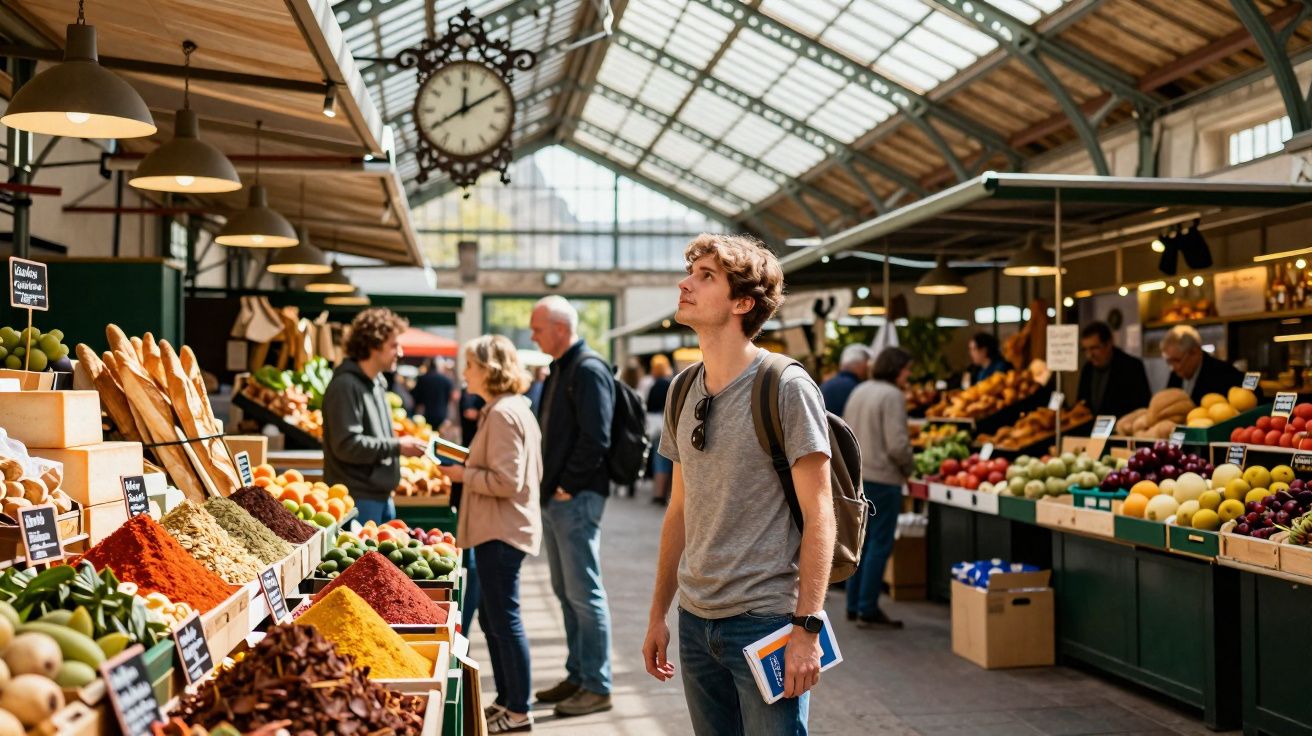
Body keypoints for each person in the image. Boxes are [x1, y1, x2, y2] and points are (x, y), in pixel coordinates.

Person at [642, 234, 834, 736]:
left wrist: (807, 629)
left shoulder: (786, 387)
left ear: (743, 302)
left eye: (706, 276)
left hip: (765, 622)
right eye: (691, 272)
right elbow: (679, 511)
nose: (686, 283)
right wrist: (658, 613)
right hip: (694, 621)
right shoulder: (682, 389)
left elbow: (820, 515)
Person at [444, 335, 542, 734]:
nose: (464, 372)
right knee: (495, 619)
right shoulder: (504, 409)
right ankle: (507, 700)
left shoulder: (502, 413)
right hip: (497, 528)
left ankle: (518, 710)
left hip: (500, 531)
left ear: (487, 368)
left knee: (505, 620)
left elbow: (506, 480)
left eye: (469, 365)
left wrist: (461, 474)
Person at [529, 295, 616, 718]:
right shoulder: (562, 368)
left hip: (576, 498)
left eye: (538, 328)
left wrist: (566, 484)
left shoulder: (588, 369)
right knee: (566, 592)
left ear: (561, 328)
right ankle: (578, 674)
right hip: (559, 497)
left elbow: (596, 437)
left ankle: (597, 684)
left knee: (584, 593)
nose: (532, 335)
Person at [322, 308, 427, 524]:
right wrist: (397, 446)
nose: (400, 352)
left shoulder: (377, 384)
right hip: (358, 500)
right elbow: (347, 445)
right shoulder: (345, 386)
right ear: (373, 345)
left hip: (380, 497)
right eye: (394, 345)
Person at [842, 347, 915, 629]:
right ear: (897, 369)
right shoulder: (892, 395)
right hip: (884, 479)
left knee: (859, 544)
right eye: (907, 369)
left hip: (857, 477)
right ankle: (867, 608)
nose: (908, 375)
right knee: (879, 545)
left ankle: (852, 604)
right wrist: (909, 468)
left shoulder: (860, 391)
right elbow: (897, 444)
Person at [1077, 321, 1152, 418]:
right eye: (1085, 350)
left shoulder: (1132, 367)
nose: (1089, 355)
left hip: (1123, 429)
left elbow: (1143, 407)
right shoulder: (1087, 369)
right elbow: (1081, 402)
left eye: (1094, 348)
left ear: (1109, 344)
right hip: (1091, 430)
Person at [1162, 324, 1253, 403]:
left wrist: (1253, 381)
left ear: (1195, 352)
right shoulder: (1176, 374)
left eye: (1177, 360)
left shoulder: (1223, 372)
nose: (1172, 367)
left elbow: (1253, 388)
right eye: (1169, 361)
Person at [646, 355, 674, 506]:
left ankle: (658, 493)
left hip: (655, 426)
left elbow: (648, 405)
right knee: (667, 460)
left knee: (658, 460)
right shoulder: (669, 383)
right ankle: (665, 494)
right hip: (666, 425)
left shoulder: (654, 385)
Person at [820, 343, 872, 417]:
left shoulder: (824, 386)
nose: (869, 370)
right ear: (861, 365)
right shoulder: (859, 389)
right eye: (867, 365)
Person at [413, 358, 456, 431]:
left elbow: (416, 397)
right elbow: (452, 397)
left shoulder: (423, 379)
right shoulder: (445, 380)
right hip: (441, 414)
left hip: (425, 414)